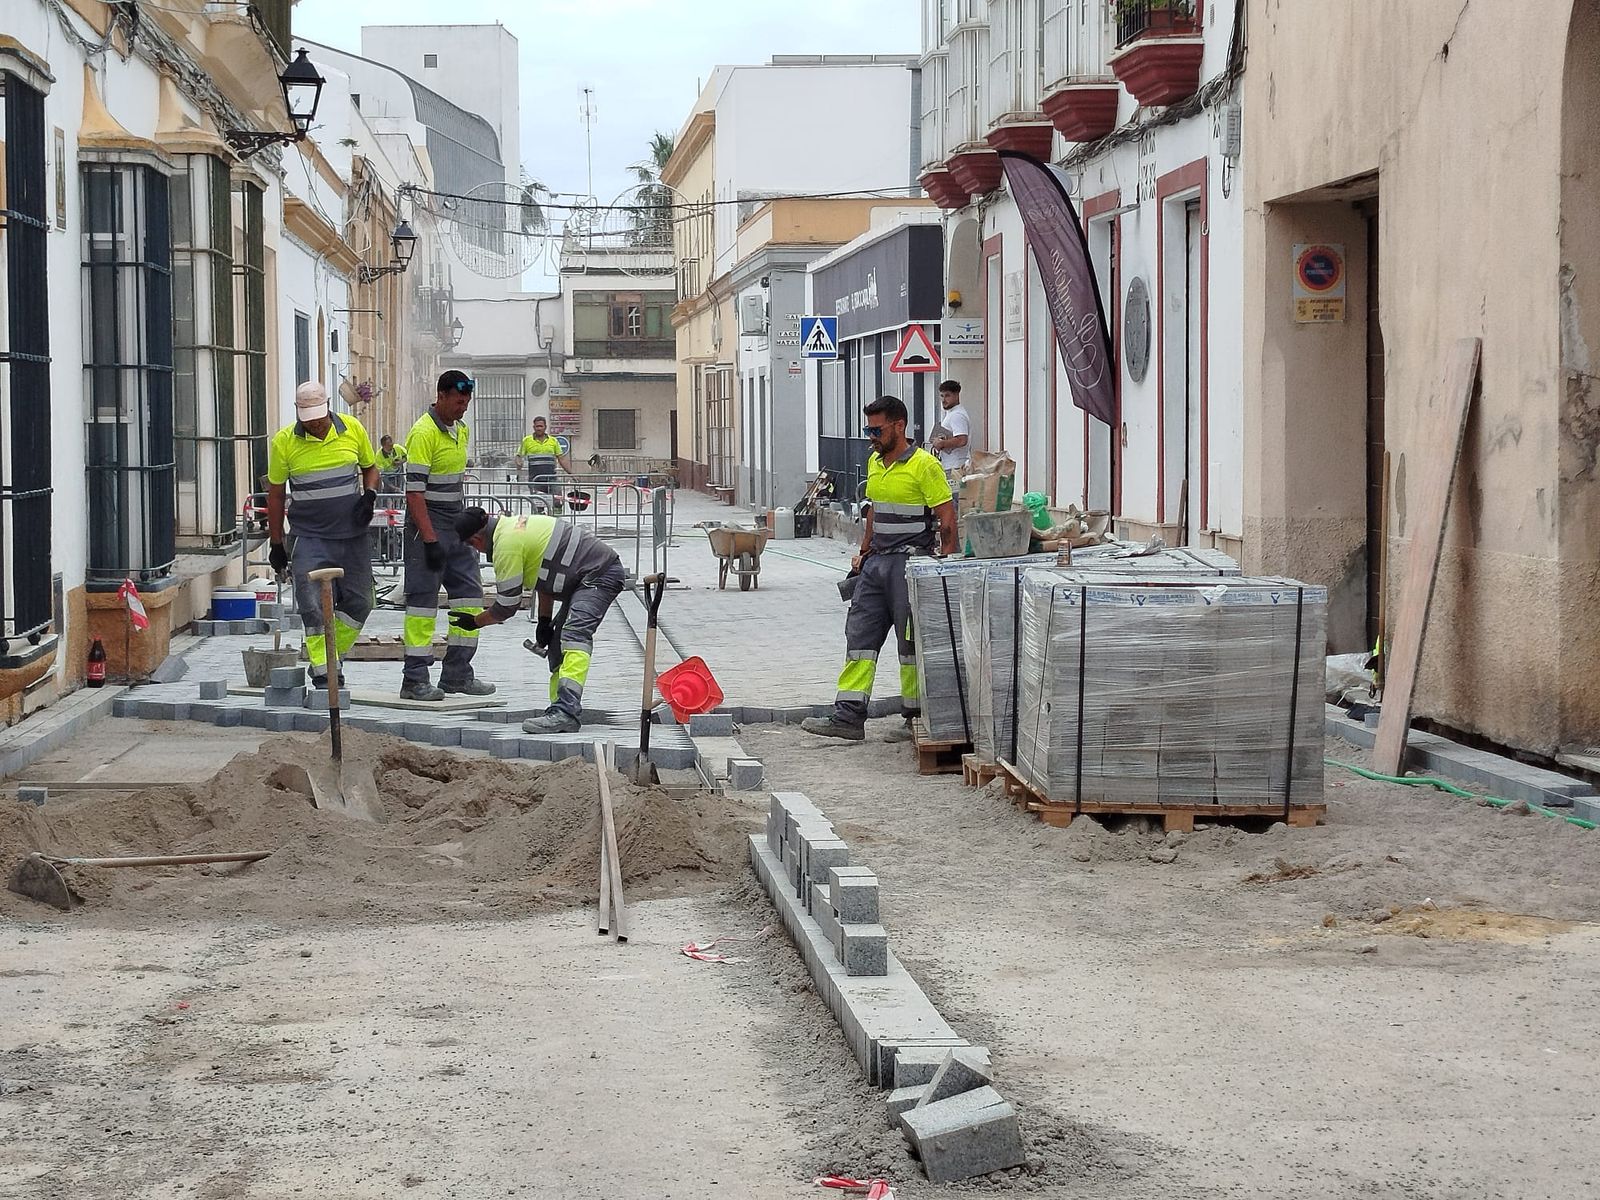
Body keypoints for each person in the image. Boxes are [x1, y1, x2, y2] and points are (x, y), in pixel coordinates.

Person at [802, 395, 958, 744]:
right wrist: (862, 552)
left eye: (877, 429)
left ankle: (915, 718)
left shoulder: (924, 466)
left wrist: (946, 569)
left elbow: (947, 520)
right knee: (859, 637)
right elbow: (873, 511)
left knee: (910, 644)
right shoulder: (875, 463)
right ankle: (848, 717)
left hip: (910, 565)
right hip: (875, 566)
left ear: (899, 425)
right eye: (867, 429)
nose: (871, 436)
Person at [451, 506, 626, 734]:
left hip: (600, 574)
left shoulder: (506, 545)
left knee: (574, 636)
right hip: (588, 574)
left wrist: (475, 622)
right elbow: (546, 577)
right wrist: (544, 620)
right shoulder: (514, 526)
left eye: (471, 545)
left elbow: (506, 606)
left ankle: (566, 712)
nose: (476, 550)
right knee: (556, 644)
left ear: (476, 539)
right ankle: (558, 710)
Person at [265, 382, 379, 689]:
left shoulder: (352, 429)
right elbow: (275, 496)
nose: (314, 423)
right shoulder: (284, 442)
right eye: (308, 418)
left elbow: (370, 468)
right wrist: (277, 543)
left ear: (328, 406)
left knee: (361, 602)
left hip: (351, 535)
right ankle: (324, 671)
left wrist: (369, 495)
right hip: (309, 535)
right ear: (298, 413)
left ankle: (332, 656)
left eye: (318, 415)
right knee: (312, 606)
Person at [399, 370, 495, 700]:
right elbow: (414, 494)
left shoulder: (461, 429)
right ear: (440, 396)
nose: (463, 408)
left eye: (467, 402)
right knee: (423, 606)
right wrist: (429, 540)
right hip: (428, 526)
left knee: (469, 597)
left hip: (457, 526)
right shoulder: (423, 433)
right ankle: (414, 679)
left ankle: (457, 674)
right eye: (457, 402)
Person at [518, 416, 572, 495]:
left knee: (558, 502)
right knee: (538, 505)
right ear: (534, 427)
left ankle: (557, 507)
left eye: (541, 426)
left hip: (552, 479)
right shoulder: (527, 440)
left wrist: (572, 474)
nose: (539, 428)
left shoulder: (553, 440)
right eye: (537, 426)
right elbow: (519, 455)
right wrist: (518, 462)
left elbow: (561, 459)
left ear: (545, 427)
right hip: (535, 481)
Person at [929, 379, 971, 478]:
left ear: (956, 395)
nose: (943, 400)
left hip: (955, 466)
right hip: (952, 464)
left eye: (947, 396)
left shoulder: (957, 415)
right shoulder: (951, 413)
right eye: (942, 396)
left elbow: (962, 440)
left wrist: (941, 443)